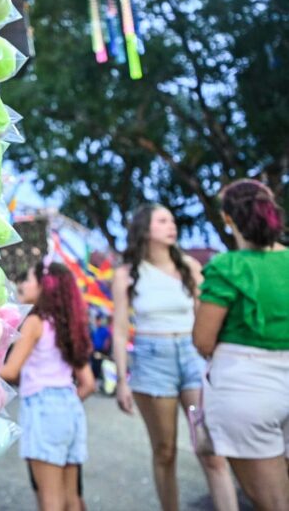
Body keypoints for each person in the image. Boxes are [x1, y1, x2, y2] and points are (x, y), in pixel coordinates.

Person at [112, 204, 237, 511]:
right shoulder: (126, 273)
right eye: (163, 220)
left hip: (192, 357)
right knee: (165, 451)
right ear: (146, 229)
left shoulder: (190, 266)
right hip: (151, 360)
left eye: (172, 220)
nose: (172, 225)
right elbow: (118, 329)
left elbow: (205, 316)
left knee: (210, 451)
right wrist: (121, 382)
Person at [193, 180, 289, 511]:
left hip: (246, 390)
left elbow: (203, 340)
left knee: (274, 504)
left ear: (228, 219)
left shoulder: (227, 267)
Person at [1, 261, 95, 511]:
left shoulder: (35, 322)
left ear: (45, 286)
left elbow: (10, 371)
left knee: (50, 500)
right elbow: (88, 384)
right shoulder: (67, 325)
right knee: (71, 497)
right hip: (71, 407)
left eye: (29, 279)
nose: (23, 284)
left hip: (43, 409)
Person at [90, 313, 111, 388]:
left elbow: (107, 340)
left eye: (98, 320)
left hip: (101, 351)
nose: (97, 322)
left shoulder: (104, 330)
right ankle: (94, 382)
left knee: (98, 366)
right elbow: (92, 340)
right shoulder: (95, 330)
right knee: (94, 366)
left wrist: (105, 349)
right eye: (96, 320)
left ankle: (98, 382)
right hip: (95, 351)